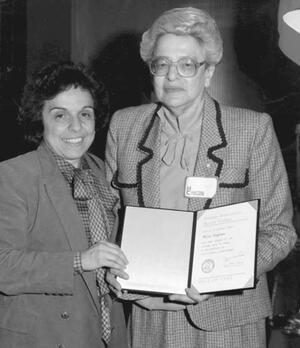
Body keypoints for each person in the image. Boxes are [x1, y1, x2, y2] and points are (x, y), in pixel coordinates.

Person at [105, 7, 297, 348]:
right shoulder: (124, 126)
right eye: (161, 64)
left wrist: (220, 275)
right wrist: (112, 265)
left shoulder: (251, 130)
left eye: (187, 65)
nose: (172, 77)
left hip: (227, 318)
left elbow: (280, 232)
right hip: (150, 316)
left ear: (207, 72)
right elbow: (110, 217)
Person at [0, 61, 128, 348]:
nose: (76, 127)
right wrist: (81, 261)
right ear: (39, 119)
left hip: (107, 336)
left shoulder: (104, 172)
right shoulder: (12, 176)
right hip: (46, 337)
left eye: (85, 114)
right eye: (60, 115)